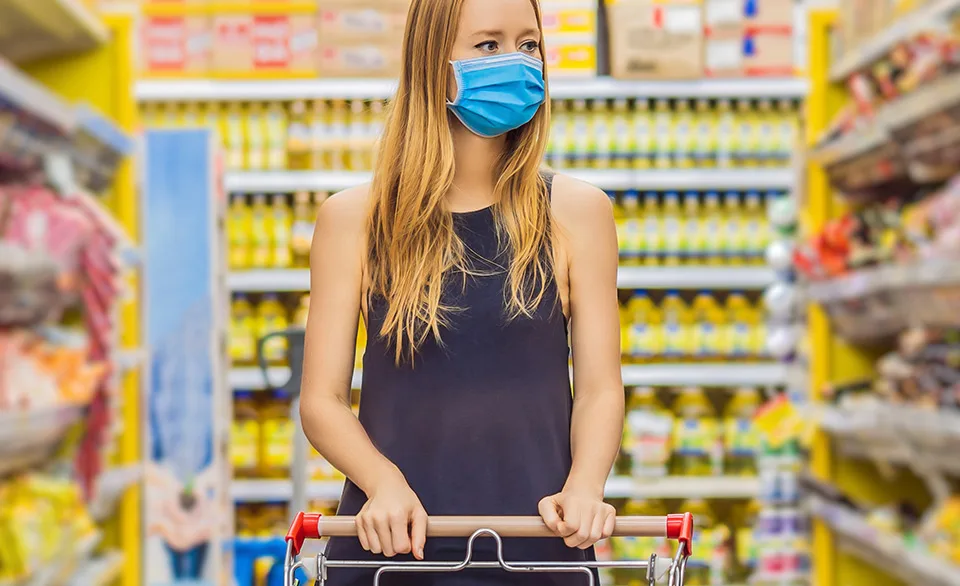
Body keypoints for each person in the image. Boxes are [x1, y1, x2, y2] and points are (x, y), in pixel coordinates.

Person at [299, 0, 624, 583]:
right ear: (432, 61)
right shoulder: (353, 221)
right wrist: (382, 483)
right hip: (392, 549)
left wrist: (585, 486)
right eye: (488, 45)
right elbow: (321, 401)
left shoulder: (578, 212)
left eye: (529, 45)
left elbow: (600, 388)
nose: (517, 62)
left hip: (540, 543)